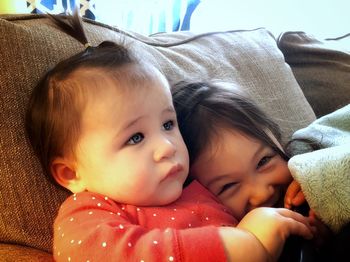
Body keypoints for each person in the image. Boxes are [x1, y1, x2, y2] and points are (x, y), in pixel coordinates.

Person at [25, 12, 313, 262]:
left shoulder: (197, 189)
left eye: (167, 124)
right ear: (71, 172)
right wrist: (246, 243)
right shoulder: (89, 212)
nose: (167, 147)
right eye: (135, 138)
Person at [171, 80, 331, 256]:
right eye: (228, 186)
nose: (262, 193)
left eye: (263, 161)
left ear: (276, 141)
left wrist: (325, 229)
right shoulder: (215, 245)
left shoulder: (314, 172)